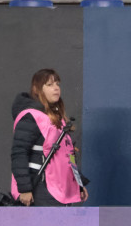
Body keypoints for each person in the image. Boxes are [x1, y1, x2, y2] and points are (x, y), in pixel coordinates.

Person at [10, 69, 88, 206]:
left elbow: (66, 156)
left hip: (59, 190)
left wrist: (79, 184)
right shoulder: (31, 116)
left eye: (57, 84)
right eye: (50, 85)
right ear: (37, 89)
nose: (56, 88)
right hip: (40, 188)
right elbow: (19, 153)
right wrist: (25, 189)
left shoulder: (58, 119)